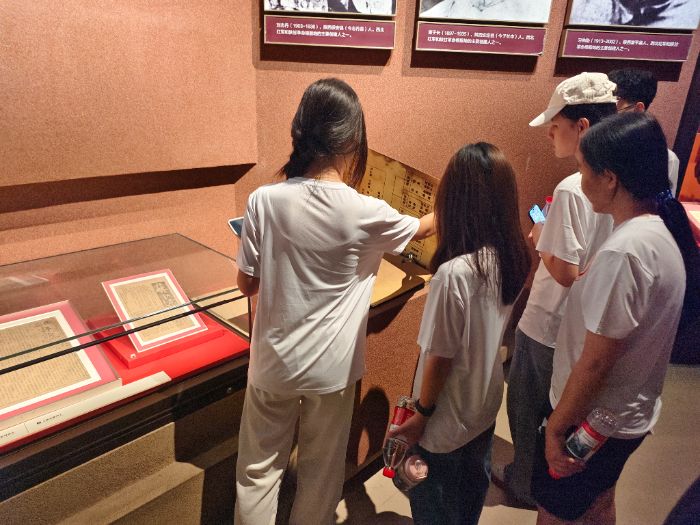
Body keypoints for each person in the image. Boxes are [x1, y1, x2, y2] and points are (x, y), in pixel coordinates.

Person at [233, 78, 434, 525]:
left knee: (257, 473)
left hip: (272, 362)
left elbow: (247, 284)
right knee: (321, 474)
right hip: (332, 370)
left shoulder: (263, 200)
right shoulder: (365, 211)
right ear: (352, 141)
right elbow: (421, 228)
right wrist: (455, 199)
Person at [532, 112, 700, 524]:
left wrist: (556, 428)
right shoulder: (657, 232)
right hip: (627, 416)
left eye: (583, 169)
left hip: (592, 422)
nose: (580, 179)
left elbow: (596, 362)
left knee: (555, 513)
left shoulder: (624, 254)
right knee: (598, 502)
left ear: (609, 178)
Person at [388, 143, 531, 525]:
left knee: (433, 506)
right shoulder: (510, 256)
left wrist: (420, 415)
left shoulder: (454, 275)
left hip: (446, 419)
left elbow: (440, 358)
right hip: (483, 405)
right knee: (468, 502)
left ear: (455, 201)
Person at [495, 72, 618, 506]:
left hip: (549, 322)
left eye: (556, 124)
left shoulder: (571, 187)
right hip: (589, 324)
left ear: (582, 126)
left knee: (528, 407)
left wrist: (542, 238)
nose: (550, 132)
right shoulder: (621, 178)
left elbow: (566, 272)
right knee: (560, 409)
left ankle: (526, 485)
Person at [608, 68, 680, 194]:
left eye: (612, 106)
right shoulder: (595, 145)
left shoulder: (665, 159)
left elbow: (662, 204)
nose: (604, 114)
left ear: (638, 109)